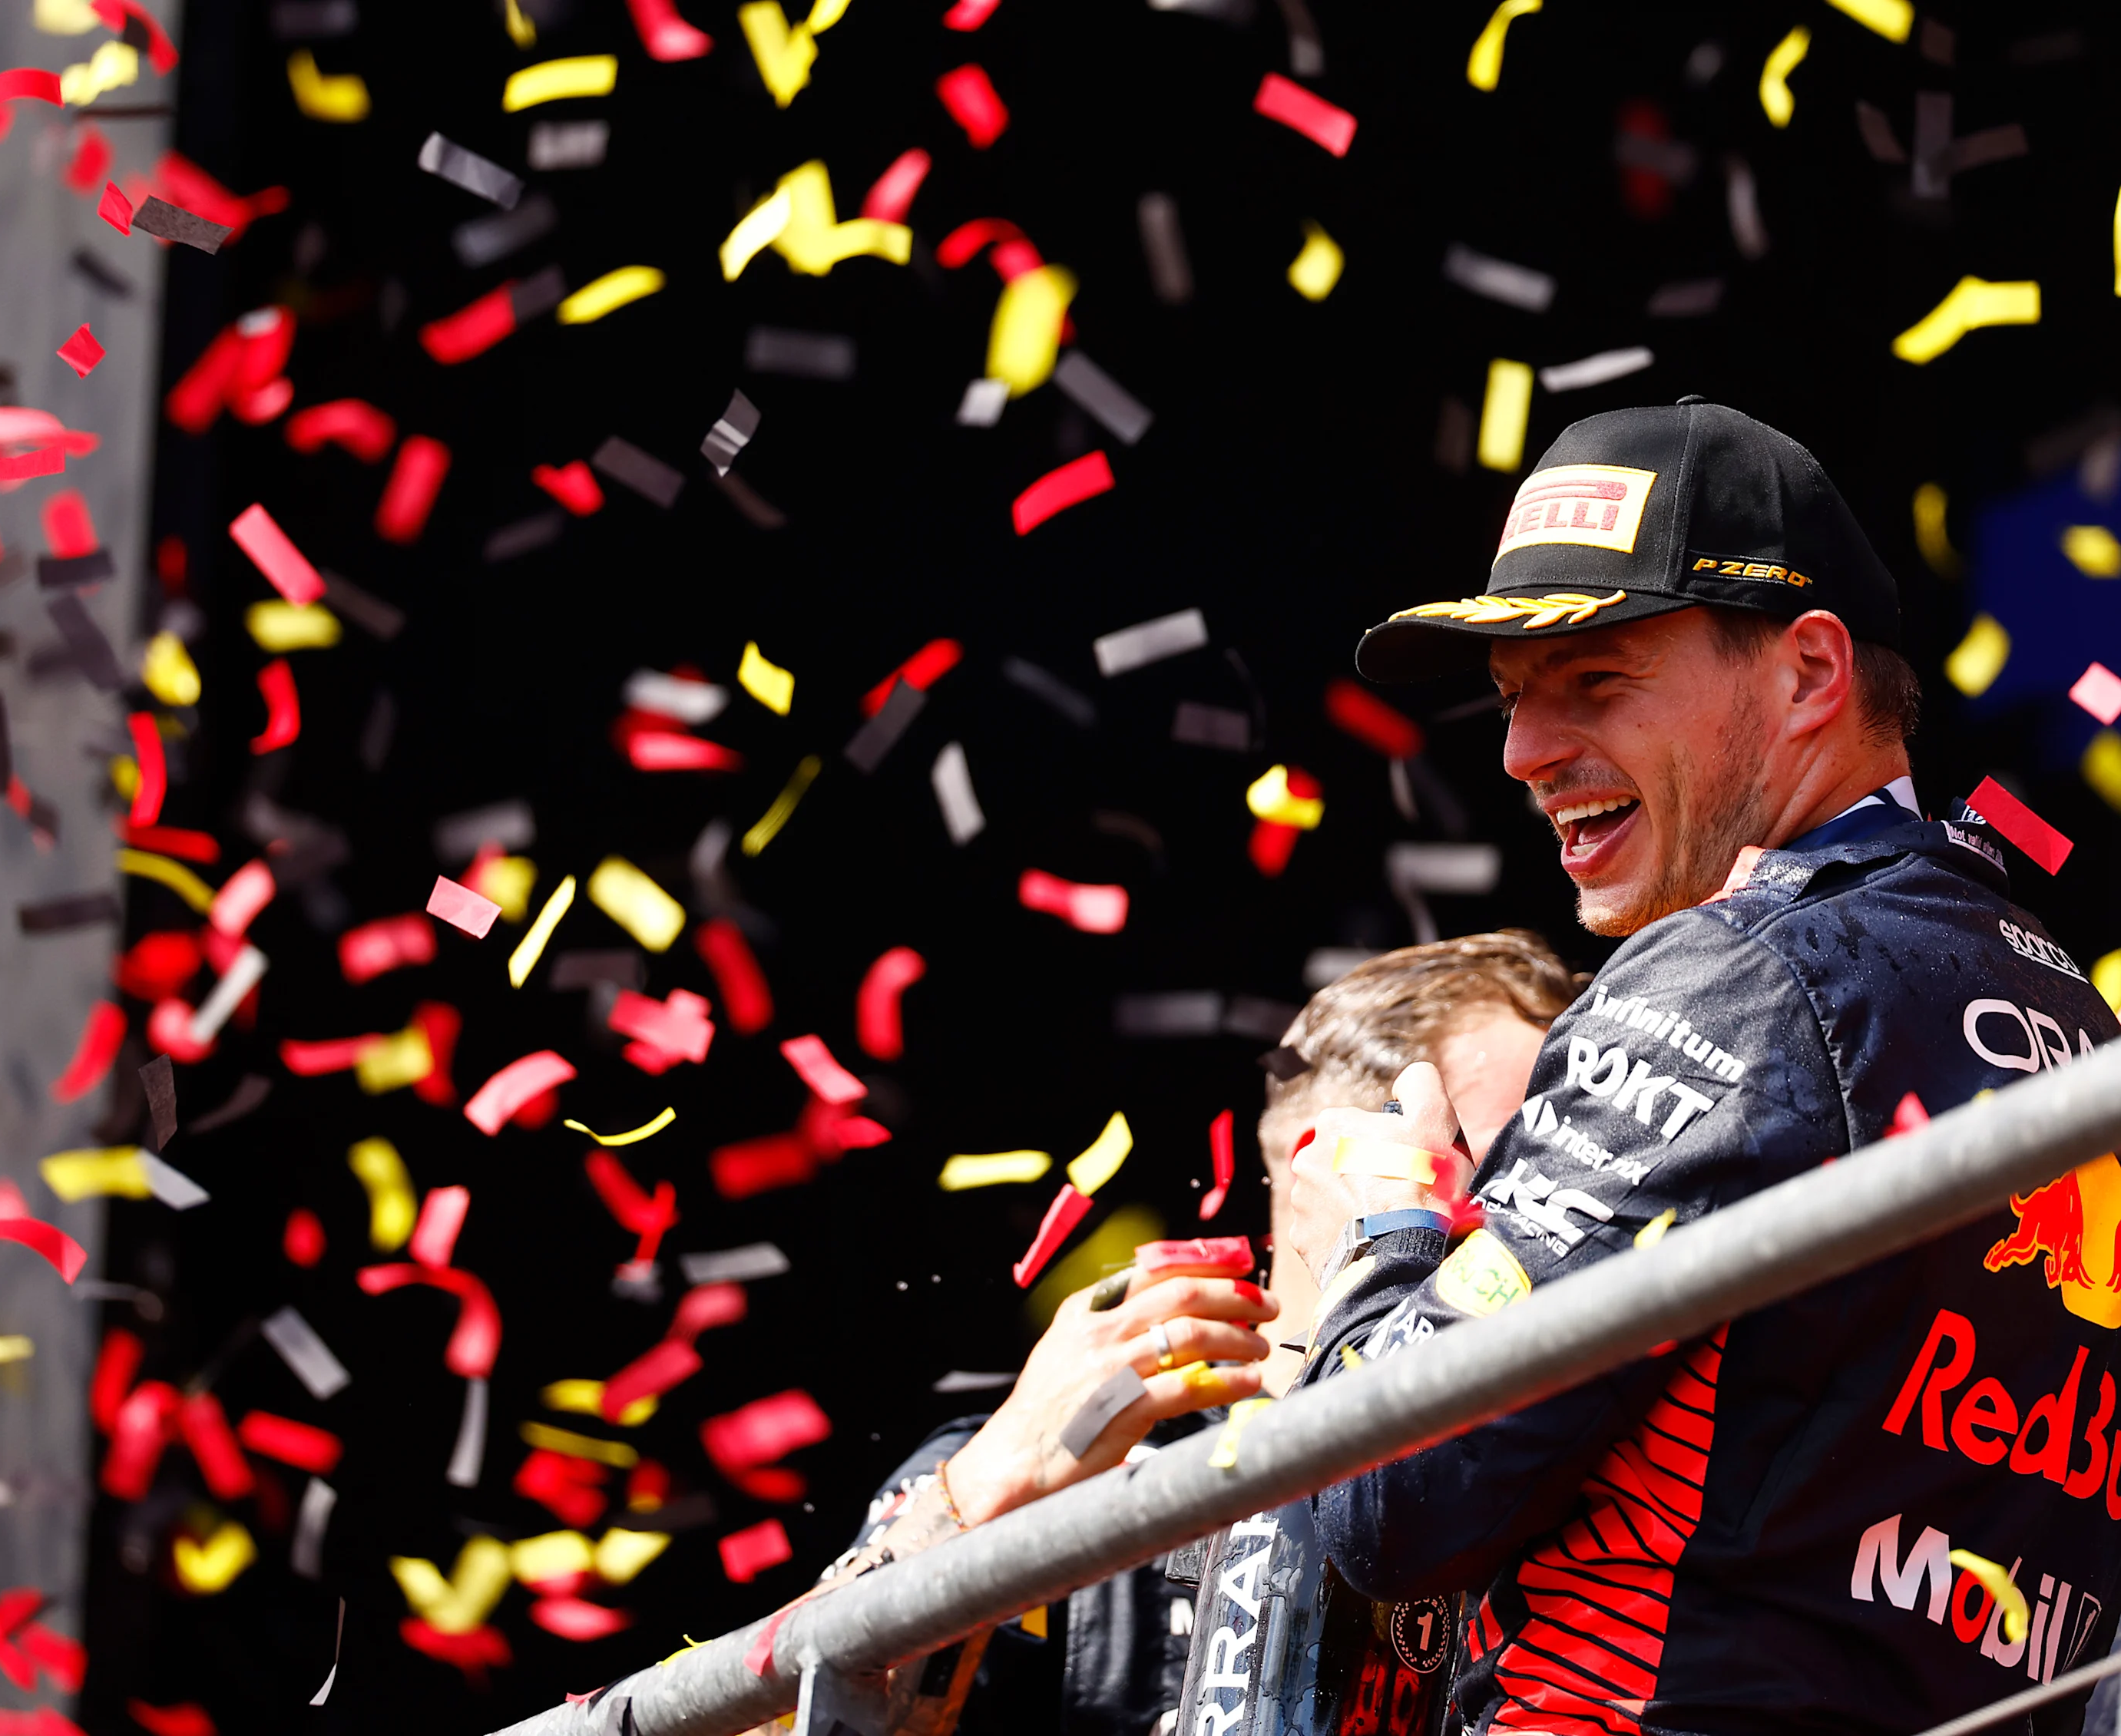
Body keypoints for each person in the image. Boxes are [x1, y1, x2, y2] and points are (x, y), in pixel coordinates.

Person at [1276, 398, 2121, 1734]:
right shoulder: (2068, 1009)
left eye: (1594, 682)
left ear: (1806, 674)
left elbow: (1389, 1497)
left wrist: (1381, 1229)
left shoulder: (1738, 970)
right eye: (1509, 700)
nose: (1520, 752)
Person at [775, 934, 1580, 1736]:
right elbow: (764, 1721)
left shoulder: (1571, 1456)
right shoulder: (1077, 1467)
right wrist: (988, 1485)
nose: (1568, 1205)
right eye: (1518, 1157)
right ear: (1331, 1160)